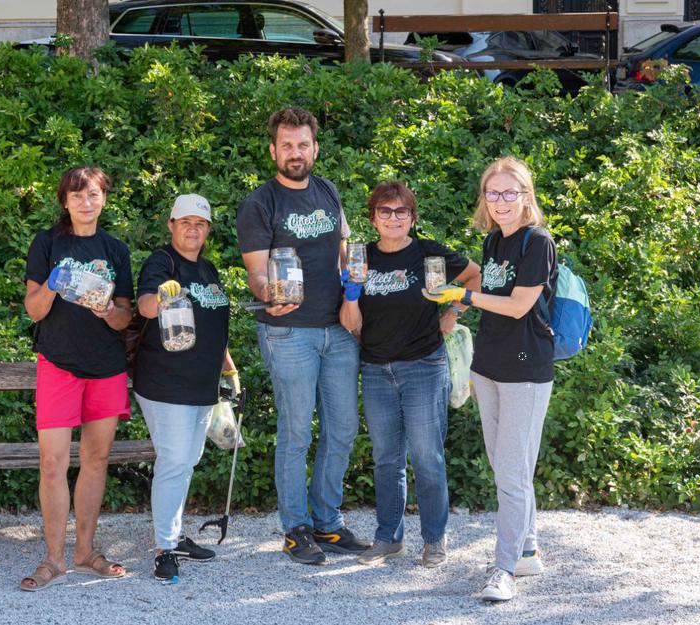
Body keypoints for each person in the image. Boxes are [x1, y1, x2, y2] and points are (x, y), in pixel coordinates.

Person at [236, 107, 369, 565]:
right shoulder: (260, 203)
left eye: (303, 144)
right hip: (288, 332)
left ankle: (327, 523)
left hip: (338, 330)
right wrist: (269, 294)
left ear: (315, 148)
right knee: (295, 433)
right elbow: (256, 273)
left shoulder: (328, 190)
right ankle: (295, 529)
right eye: (287, 145)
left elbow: (346, 252)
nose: (296, 153)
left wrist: (354, 295)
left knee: (343, 428)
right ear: (274, 150)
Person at [424, 156, 558, 602]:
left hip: (526, 371)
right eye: (493, 193)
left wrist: (465, 294)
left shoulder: (536, 242)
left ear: (525, 196)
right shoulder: (492, 243)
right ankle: (528, 551)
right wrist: (455, 306)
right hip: (488, 368)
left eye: (509, 193)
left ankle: (504, 571)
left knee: (513, 473)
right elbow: (487, 298)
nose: (500, 202)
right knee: (508, 467)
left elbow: (518, 305)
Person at [339, 182, 480, 568]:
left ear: (412, 218)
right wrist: (351, 295)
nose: (393, 218)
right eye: (385, 211)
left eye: (402, 212)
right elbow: (350, 324)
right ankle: (388, 539)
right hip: (375, 368)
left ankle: (435, 539)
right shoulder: (360, 257)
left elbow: (475, 276)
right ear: (373, 218)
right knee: (386, 459)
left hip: (423, 366)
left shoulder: (428, 252)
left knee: (426, 457)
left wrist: (451, 314)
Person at [20, 166, 134, 591]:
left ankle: (85, 552)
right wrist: (54, 280)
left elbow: (125, 317)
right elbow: (34, 310)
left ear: (104, 198)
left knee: (96, 460)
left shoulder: (115, 250)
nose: (86, 202)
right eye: (77, 195)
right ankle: (53, 559)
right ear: (65, 201)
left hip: (105, 367)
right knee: (52, 463)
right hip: (58, 363)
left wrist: (109, 311)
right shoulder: (47, 243)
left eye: (93, 194)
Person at [133, 193, 238, 582]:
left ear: (207, 229)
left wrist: (226, 365)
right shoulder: (164, 262)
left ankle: (175, 536)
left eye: (200, 224)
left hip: (202, 383)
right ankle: (164, 549)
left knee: (186, 462)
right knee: (174, 462)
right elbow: (144, 304)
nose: (193, 229)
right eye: (185, 222)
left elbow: (212, 322)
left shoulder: (208, 270)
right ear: (172, 225)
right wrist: (159, 298)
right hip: (166, 382)